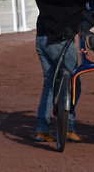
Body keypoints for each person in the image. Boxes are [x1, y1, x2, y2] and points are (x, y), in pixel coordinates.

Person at [33, 14, 82, 142]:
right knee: (74, 82)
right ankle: (68, 127)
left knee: (50, 84)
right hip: (59, 40)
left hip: (41, 38)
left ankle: (41, 129)